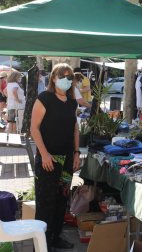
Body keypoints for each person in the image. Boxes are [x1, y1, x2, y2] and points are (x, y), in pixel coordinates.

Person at [31, 63, 80, 251]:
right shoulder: (44, 99)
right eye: (63, 76)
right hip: (48, 159)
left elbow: (74, 128)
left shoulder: (72, 102)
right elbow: (34, 129)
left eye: (70, 77)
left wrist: (76, 153)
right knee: (45, 202)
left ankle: (55, 237)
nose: (67, 80)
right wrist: (44, 154)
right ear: (53, 77)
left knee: (62, 198)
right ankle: (42, 243)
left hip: (67, 159)